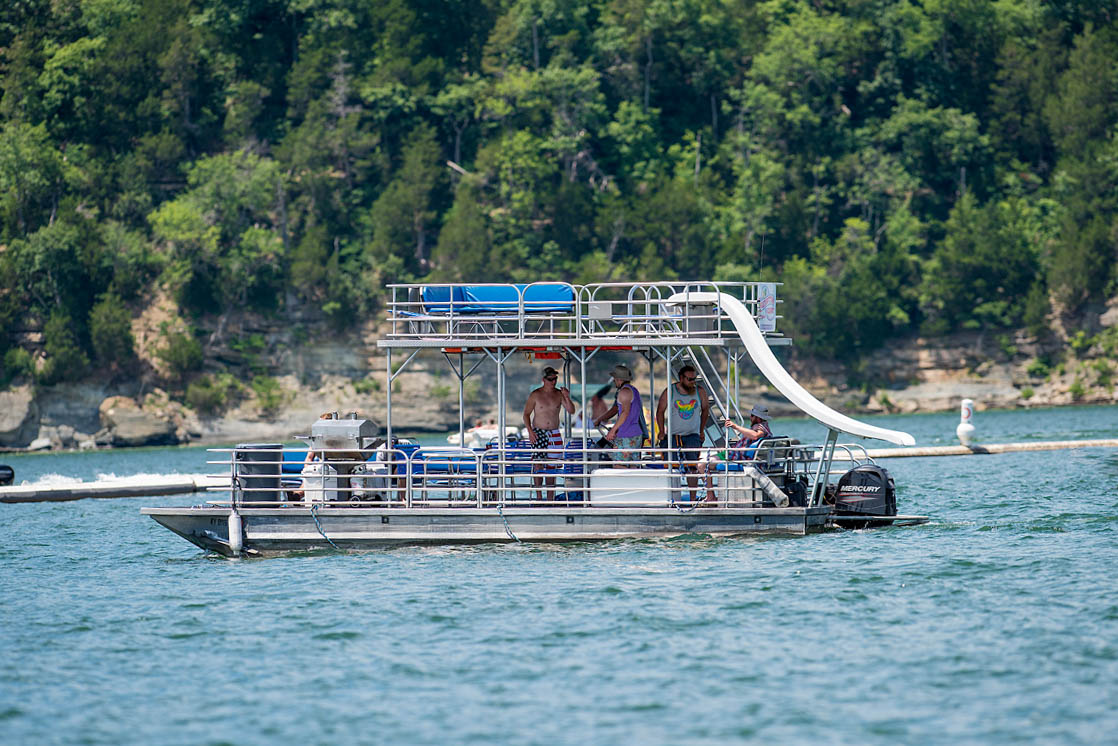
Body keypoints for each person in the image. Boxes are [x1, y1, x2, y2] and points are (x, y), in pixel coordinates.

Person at [655, 364, 711, 501]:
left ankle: (692, 499)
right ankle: (672, 498)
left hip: (692, 435)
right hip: (674, 435)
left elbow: (705, 410)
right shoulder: (671, 391)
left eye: (694, 379)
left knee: (692, 468)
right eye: (689, 379)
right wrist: (662, 431)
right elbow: (660, 411)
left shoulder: (700, 391)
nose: (692, 382)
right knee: (672, 467)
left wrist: (701, 430)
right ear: (681, 378)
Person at [698, 404, 774, 502]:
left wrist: (735, 426)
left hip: (735, 456)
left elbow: (756, 435)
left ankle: (710, 496)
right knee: (704, 460)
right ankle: (711, 495)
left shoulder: (760, 427)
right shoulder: (762, 426)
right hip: (733, 454)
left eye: (752, 416)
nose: (750, 418)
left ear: (757, 418)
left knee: (701, 465)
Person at [522, 365, 575, 500]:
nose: (553, 382)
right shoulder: (536, 394)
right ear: (544, 379)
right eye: (551, 379)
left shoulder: (559, 394)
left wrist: (567, 397)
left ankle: (550, 499)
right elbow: (526, 414)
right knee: (538, 465)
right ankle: (539, 497)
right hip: (538, 432)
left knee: (552, 466)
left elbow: (571, 410)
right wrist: (530, 432)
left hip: (555, 433)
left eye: (555, 379)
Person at [594, 364, 645, 465]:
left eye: (615, 379)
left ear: (619, 379)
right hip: (636, 433)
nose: (613, 381)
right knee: (634, 465)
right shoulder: (634, 390)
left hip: (626, 434)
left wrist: (612, 431)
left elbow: (624, 412)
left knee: (618, 465)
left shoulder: (624, 392)